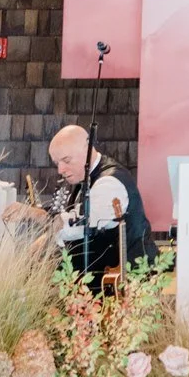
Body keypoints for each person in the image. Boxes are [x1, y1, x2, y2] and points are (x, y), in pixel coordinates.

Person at [44, 124, 156, 290]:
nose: (60, 169)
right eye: (56, 163)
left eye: (66, 160)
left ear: (87, 150)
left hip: (127, 286)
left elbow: (83, 228)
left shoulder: (108, 183)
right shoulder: (86, 178)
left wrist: (45, 225)